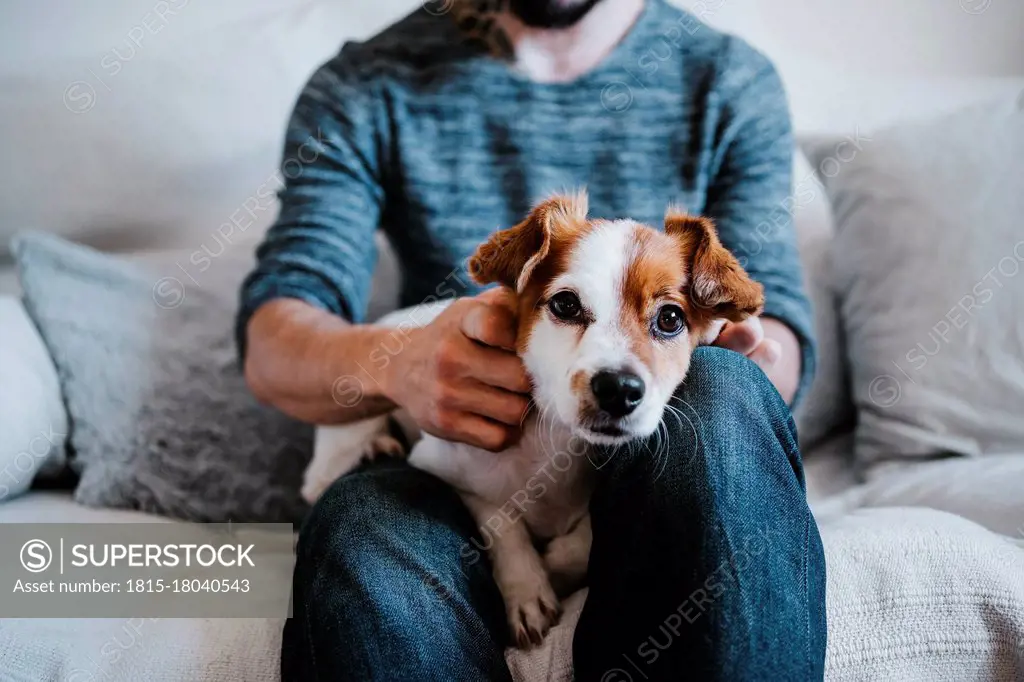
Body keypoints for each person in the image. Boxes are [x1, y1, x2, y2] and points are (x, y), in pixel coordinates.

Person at [237, 0, 826, 679]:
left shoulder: (728, 78)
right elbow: (274, 340)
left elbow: (773, 328)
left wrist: (721, 356)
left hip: (666, 458)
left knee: (725, 394)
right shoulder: (367, 81)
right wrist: (397, 363)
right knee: (364, 519)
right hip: (454, 452)